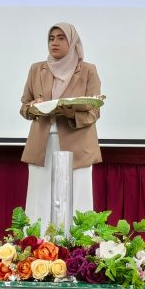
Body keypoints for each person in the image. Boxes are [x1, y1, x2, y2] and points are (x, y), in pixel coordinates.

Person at [20, 22, 102, 227]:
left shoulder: (88, 70)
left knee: (77, 198)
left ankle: (77, 243)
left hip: (78, 146)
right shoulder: (36, 69)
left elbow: (94, 111)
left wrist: (69, 112)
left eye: (61, 38)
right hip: (42, 144)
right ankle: (37, 242)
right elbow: (24, 107)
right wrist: (34, 107)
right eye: (51, 38)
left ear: (72, 42)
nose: (54, 43)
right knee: (39, 196)